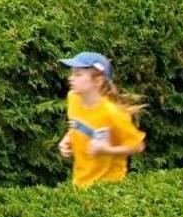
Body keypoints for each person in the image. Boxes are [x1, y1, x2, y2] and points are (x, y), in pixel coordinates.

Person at [55, 51, 144, 188]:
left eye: (78, 74)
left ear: (97, 81)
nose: (71, 78)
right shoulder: (73, 98)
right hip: (80, 182)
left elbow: (137, 146)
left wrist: (106, 150)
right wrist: (67, 140)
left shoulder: (113, 113)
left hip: (109, 187)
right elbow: (77, 125)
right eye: (72, 73)